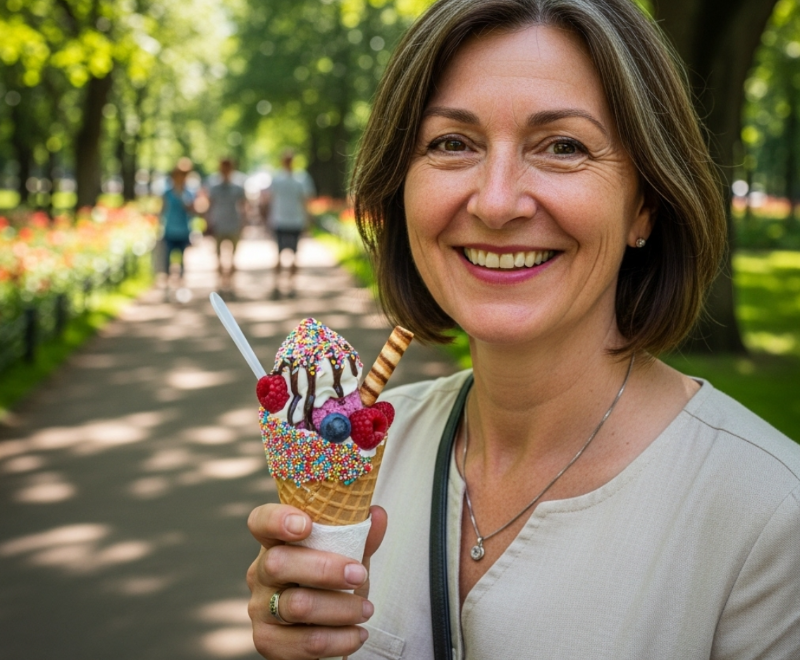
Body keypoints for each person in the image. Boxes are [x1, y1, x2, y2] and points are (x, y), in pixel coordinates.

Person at [245, 1, 800, 659]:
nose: (498, 202)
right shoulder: (368, 451)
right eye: (452, 143)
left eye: (563, 146)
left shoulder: (771, 519)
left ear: (645, 203)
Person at [263, 149, 315, 299]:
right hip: (279, 221)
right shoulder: (277, 179)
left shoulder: (302, 178)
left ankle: (291, 285)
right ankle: (277, 285)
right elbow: (269, 200)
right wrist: (267, 219)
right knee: (279, 255)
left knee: (294, 255)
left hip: (295, 221)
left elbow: (306, 201)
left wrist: (308, 220)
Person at [206, 158, 247, 290]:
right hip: (219, 223)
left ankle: (231, 282)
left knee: (233, 255)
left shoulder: (238, 186)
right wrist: (208, 221)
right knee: (218, 255)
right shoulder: (214, 186)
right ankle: (220, 282)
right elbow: (210, 205)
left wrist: (244, 223)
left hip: (233, 222)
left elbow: (243, 206)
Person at [160, 161, 194, 281]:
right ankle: (168, 284)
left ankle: (181, 283)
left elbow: (192, 210)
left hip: (183, 230)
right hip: (169, 230)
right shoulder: (167, 193)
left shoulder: (189, 193)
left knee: (182, 260)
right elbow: (162, 211)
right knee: (167, 260)